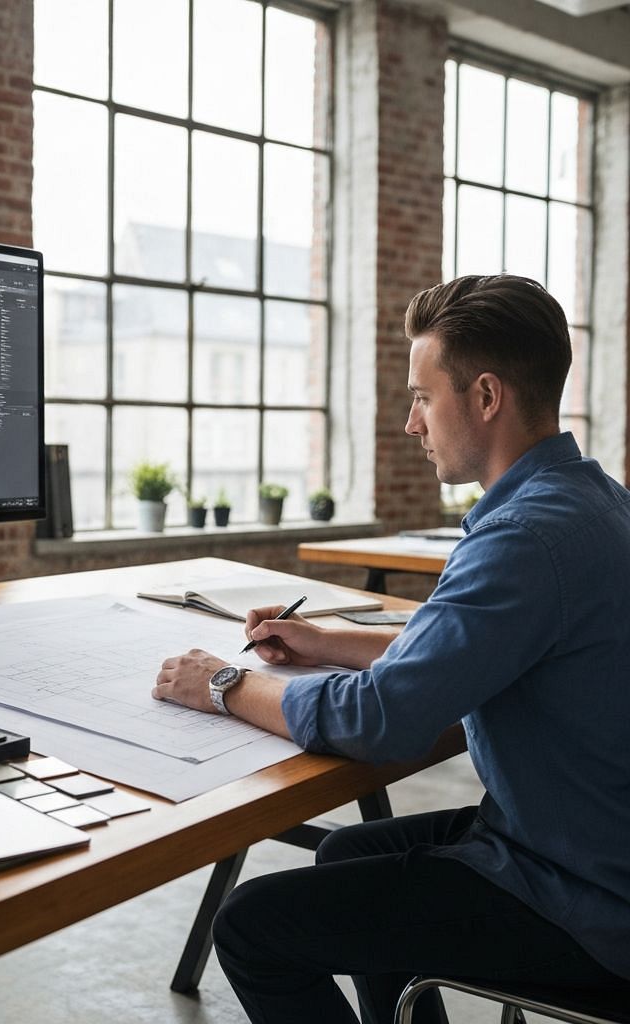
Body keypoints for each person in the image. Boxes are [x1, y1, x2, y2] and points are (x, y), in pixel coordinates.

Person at [152, 274, 630, 1023]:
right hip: (583, 837)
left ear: (484, 396)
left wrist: (222, 685)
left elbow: (382, 720)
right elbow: (472, 638)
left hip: (584, 896)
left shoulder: (523, 537)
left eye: (421, 396)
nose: (412, 423)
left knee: (251, 925)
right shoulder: (589, 498)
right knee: (347, 852)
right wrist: (327, 640)